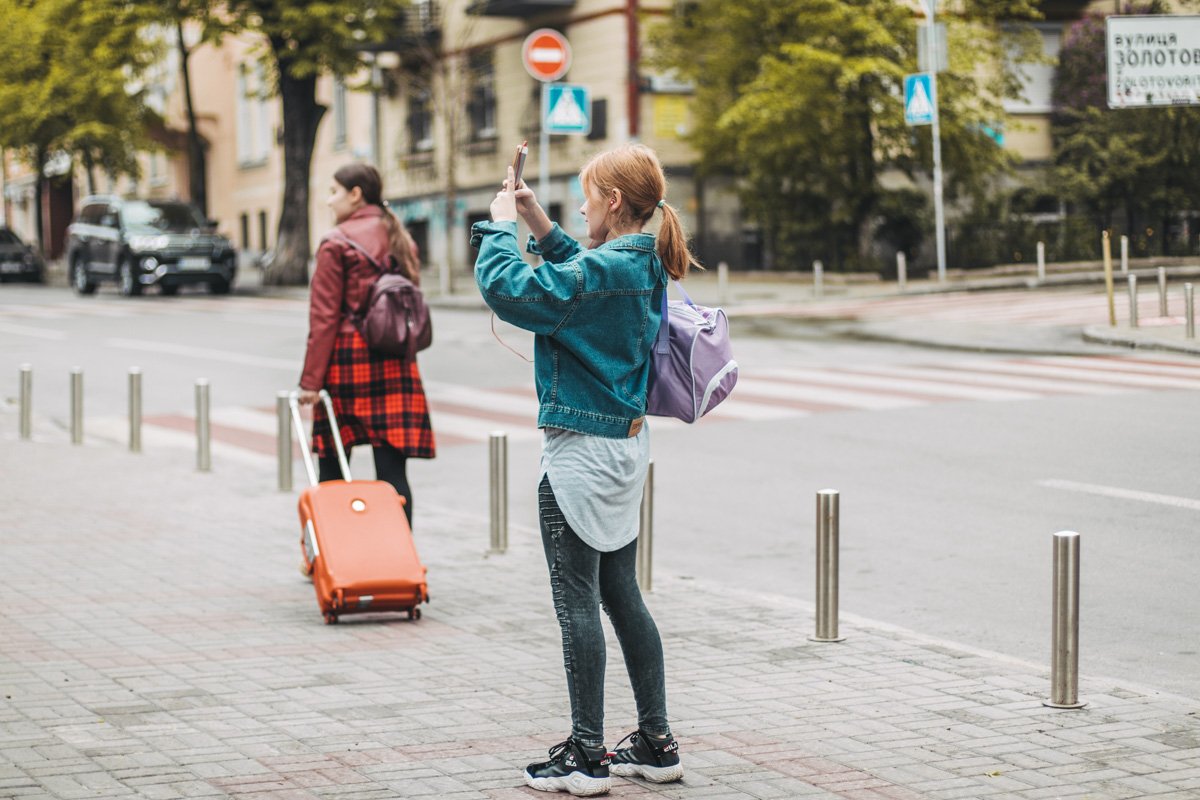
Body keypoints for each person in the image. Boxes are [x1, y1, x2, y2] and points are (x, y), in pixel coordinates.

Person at [470, 143, 697, 796]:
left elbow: (514, 289)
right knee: (622, 595)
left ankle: (587, 755)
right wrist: (537, 218)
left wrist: (500, 227)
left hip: (582, 455)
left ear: (613, 201)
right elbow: (581, 270)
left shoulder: (607, 272)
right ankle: (656, 743)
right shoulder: (640, 261)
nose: (582, 204)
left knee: (577, 607)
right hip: (625, 449)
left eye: (586, 195)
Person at [298, 163, 435, 526]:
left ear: (355, 194)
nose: (329, 201)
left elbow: (324, 319)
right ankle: (399, 555)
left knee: (332, 465)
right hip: (395, 359)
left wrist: (310, 382)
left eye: (334, 192)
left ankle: (338, 553)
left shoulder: (335, 242)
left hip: (348, 364)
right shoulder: (401, 237)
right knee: (392, 472)